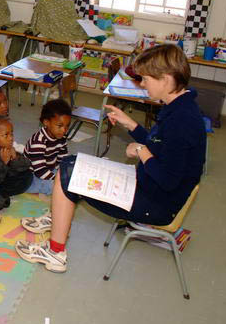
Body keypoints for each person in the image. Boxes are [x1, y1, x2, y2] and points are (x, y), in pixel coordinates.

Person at [16, 45, 206, 273]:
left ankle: (55, 253)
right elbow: (161, 146)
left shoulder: (182, 120)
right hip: (148, 187)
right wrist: (132, 125)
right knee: (70, 164)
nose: (142, 84)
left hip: (155, 204)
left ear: (165, 80)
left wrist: (140, 151)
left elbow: (168, 179)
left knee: (68, 175)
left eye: (145, 79)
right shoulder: (179, 107)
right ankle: (58, 217)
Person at [23, 99, 72, 195]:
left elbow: (62, 158)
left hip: (49, 169)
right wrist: (58, 179)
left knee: (72, 169)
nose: (64, 130)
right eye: (60, 125)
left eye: (67, 126)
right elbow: (40, 170)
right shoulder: (38, 141)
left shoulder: (61, 136)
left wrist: (63, 172)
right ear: (46, 122)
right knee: (57, 188)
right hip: (33, 175)